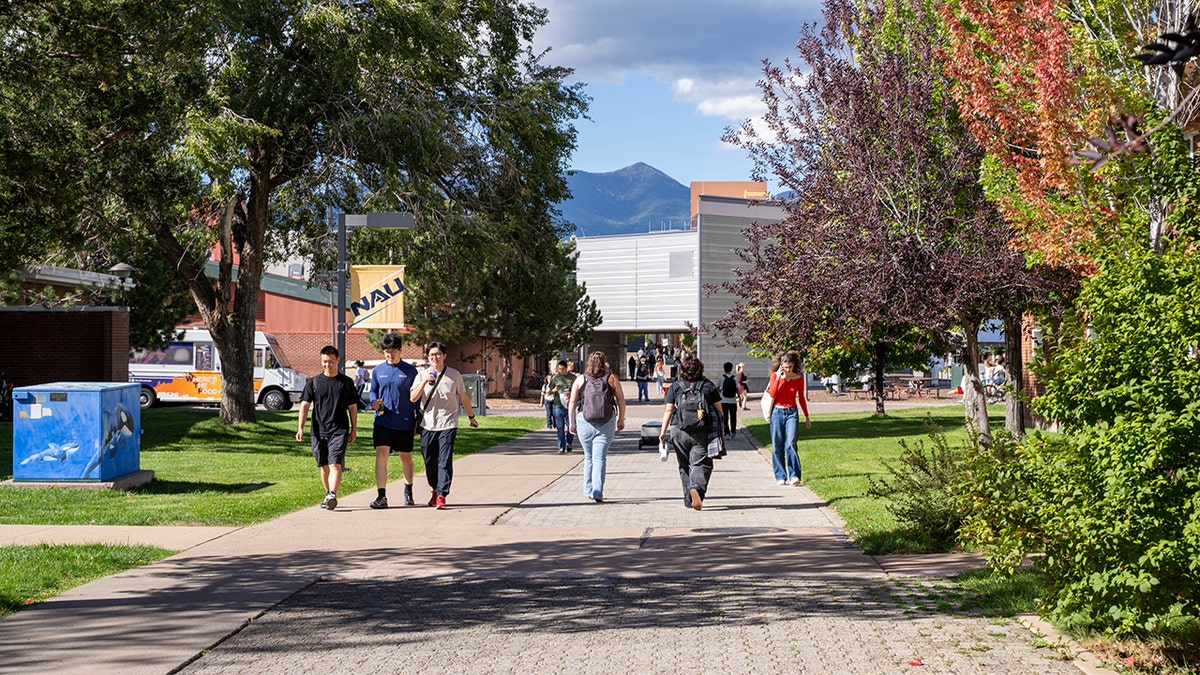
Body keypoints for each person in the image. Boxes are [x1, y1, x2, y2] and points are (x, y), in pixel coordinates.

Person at [409, 341, 479, 509]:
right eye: (432, 355)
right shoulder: (421, 375)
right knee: (429, 460)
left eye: (438, 354)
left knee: (445, 460)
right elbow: (413, 398)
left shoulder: (454, 375)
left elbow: (463, 397)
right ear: (428, 357)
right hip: (428, 424)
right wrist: (425, 382)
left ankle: (442, 494)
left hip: (448, 422)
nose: (435, 358)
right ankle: (435, 489)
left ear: (444, 356)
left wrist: (471, 417)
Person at [295, 345, 358, 511]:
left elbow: (353, 407)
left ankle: (332, 494)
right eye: (324, 361)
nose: (327, 365)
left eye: (331, 361)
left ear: (338, 360)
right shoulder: (314, 382)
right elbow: (304, 405)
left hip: (339, 429)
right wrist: (300, 428)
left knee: (335, 464)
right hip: (318, 430)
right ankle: (328, 494)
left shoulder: (346, 383)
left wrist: (354, 429)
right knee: (324, 466)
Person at [658, 356, 722, 510]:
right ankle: (697, 489)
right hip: (702, 430)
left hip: (678, 430)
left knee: (684, 464)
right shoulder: (708, 386)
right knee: (702, 463)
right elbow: (719, 410)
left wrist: (663, 431)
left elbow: (669, 409)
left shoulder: (676, 386)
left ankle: (688, 499)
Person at [366, 332, 420, 509]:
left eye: (393, 351)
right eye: (387, 351)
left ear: (400, 350)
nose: (390, 354)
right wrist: (373, 401)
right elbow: (373, 391)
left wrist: (418, 420)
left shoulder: (410, 371)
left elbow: (417, 397)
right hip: (383, 421)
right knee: (381, 455)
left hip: (404, 421)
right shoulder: (378, 371)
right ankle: (381, 496)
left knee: (406, 457)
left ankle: (408, 490)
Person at [567, 351, 627, 502]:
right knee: (599, 458)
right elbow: (621, 401)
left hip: (584, 421)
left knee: (588, 457)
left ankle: (588, 490)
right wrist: (621, 419)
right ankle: (597, 492)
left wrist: (572, 422)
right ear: (604, 362)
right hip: (606, 422)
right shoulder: (611, 378)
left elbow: (572, 402)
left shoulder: (581, 379)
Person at [767, 350, 811, 486]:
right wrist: (779, 378)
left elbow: (801, 398)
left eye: (790, 367)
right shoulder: (775, 376)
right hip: (777, 412)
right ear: (781, 365)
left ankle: (794, 475)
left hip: (792, 412)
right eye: (785, 367)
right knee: (777, 445)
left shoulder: (798, 378)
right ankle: (780, 475)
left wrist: (807, 416)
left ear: (794, 365)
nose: (788, 370)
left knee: (791, 443)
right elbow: (772, 393)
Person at [549, 360, 576, 453]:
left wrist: (571, 392)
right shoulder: (555, 378)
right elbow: (549, 391)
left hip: (569, 405)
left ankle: (569, 442)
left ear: (566, 368)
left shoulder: (573, 378)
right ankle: (561, 447)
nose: (561, 371)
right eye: (559, 369)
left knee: (570, 426)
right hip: (558, 405)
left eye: (563, 369)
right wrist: (554, 390)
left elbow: (578, 390)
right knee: (560, 427)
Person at [719, 361, 739, 439]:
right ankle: (733, 432)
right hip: (733, 400)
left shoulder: (721, 378)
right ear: (731, 369)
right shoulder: (735, 378)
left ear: (724, 369)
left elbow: (717, 388)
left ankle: (726, 433)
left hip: (723, 400)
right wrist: (740, 399)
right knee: (733, 417)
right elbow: (737, 389)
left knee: (725, 417)